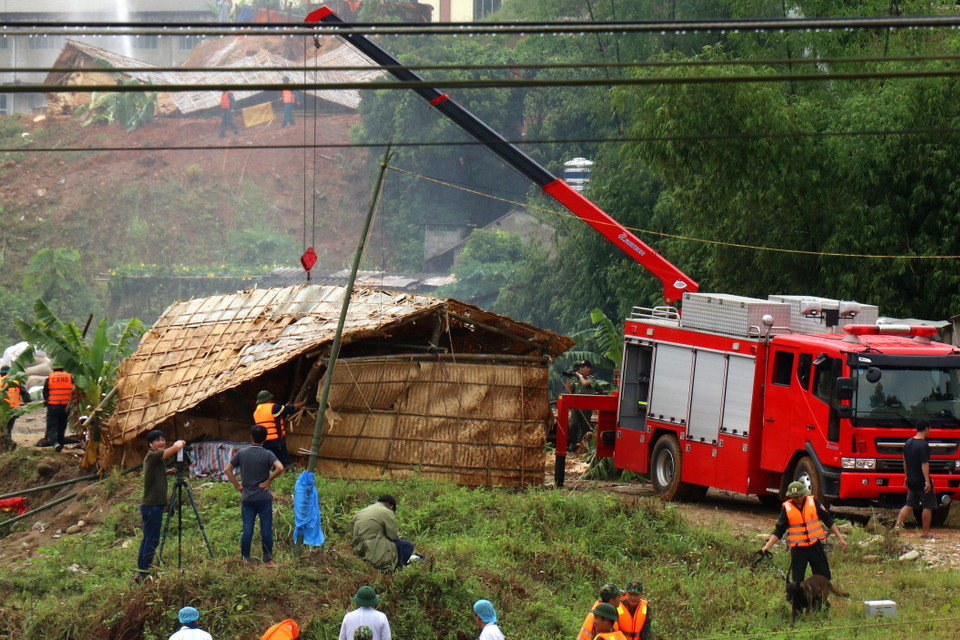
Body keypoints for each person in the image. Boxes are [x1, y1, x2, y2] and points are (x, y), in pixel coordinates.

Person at [759, 481, 848, 583]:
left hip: (815, 546)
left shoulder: (814, 502)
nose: (798, 499)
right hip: (798, 549)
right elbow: (779, 530)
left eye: (800, 496)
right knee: (797, 580)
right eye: (795, 497)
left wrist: (840, 538)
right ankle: (800, 598)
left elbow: (828, 520)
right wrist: (767, 546)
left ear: (804, 494)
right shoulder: (787, 508)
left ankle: (821, 598)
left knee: (823, 577)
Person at [225, 424, 285, 567]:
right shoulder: (267, 454)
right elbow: (280, 467)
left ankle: (245, 558)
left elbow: (228, 470)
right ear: (265, 439)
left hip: (248, 498)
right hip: (263, 497)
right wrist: (268, 480)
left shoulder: (242, 453)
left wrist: (238, 486)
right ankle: (268, 560)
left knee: (247, 529)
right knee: (266, 529)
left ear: (250, 437)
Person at [137, 430, 186, 583]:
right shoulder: (153, 456)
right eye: (157, 440)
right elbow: (166, 453)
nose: (161, 442)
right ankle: (144, 572)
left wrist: (168, 472)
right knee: (152, 540)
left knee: (148, 538)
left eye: (163, 439)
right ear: (150, 444)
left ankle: (142, 571)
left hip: (151, 506)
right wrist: (178, 445)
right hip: (152, 506)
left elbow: (156, 470)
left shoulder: (153, 460)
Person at [895, 420, 936, 538]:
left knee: (909, 504)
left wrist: (906, 476)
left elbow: (905, 461)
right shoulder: (923, 445)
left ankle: (896, 528)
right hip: (921, 480)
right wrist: (927, 480)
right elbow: (924, 463)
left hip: (911, 479)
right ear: (927, 429)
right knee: (928, 505)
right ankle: (925, 532)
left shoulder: (908, 443)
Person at [350, 495, 415, 570]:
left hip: (358, 548)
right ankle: (396, 569)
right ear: (391, 506)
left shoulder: (363, 511)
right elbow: (393, 536)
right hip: (373, 548)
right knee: (407, 546)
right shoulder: (387, 511)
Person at [253, 389, 304, 468]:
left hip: (264, 441)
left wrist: (285, 407)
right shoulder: (274, 407)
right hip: (276, 440)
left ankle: (272, 476)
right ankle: (290, 476)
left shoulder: (257, 411)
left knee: (270, 461)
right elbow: (290, 409)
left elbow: (274, 416)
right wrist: (302, 404)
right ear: (269, 399)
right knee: (285, 460)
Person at [564, 359, 596, 452]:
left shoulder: (591, 378)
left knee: (585, 427)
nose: (581, 369)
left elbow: (586, 383)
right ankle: (572, 444)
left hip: (586, 408)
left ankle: (584, 446)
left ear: (588, 369)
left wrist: (580, 376)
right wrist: (569, 378)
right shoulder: (576, 380)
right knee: (573, 424)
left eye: (583, 367)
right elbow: (568, 391)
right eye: (580, 368)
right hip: (575, 408)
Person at [43, 363, 73, 451]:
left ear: (53, 369)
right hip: (66, 406)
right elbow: (74, 389)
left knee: (52, 427)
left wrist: (47, 400)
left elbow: (45, 392)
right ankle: (61, 444)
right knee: (62, 426)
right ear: (62, 369)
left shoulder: (50, 378)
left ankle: (55, 443)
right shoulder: (69, 377)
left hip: (53, 405)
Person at [0, 365, 29, 450]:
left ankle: (9, 443)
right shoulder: (16, 382)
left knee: (4, 429)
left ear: (2, 374)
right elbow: (26, 394)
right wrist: (27, 402)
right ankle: (7, 446)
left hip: (4, 410)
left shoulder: (0, 382)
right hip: (15, 409)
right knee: (9, 428)